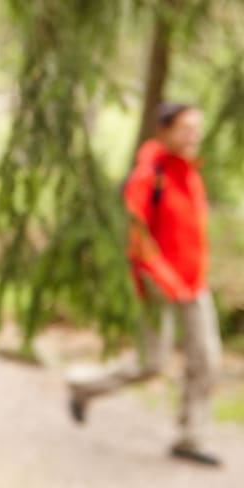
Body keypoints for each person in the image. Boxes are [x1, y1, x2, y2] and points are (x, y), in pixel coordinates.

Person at [67, 102, 222, 466]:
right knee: (151, 362)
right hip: (157, 285)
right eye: (185, 129)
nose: (193, 136)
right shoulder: (147, 176)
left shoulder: (191, 173)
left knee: (207, 360)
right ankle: (83, 387)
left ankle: (191, 436)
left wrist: (195, 277)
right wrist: (167, 280)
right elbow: (137, 239)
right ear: (164, 131)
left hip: (195, 283)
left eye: (197, 129)